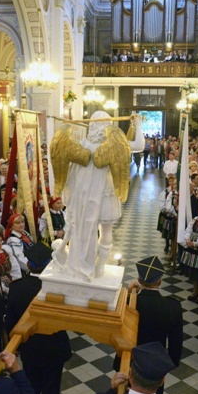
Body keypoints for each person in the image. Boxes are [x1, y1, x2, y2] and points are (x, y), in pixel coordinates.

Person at [50, 112, 144, 280]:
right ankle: (99, 266)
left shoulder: (80, 144)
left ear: (91, 125)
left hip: (82, 194)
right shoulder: (113, 145)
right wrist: (138, 124)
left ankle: (81, 261)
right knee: (106, 229)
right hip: (104, 193)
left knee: (79, 227)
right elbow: (139, 145)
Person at [5, 243, 72, 394]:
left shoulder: (17, 288)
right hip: (55, 348)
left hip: (29, 348)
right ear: (50, 263)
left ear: (27, 263)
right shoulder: (58, 288)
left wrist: (16, 345)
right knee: (51, 392)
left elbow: (11, 321)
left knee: (31, 388)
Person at [118, 256, 183, 394]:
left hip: (129, 359)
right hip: (155, 362)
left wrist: (129, 294)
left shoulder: (128, 302)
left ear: (139, 280)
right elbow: (176, 341)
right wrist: (170, 363)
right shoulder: (172, 307)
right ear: (159, 281)